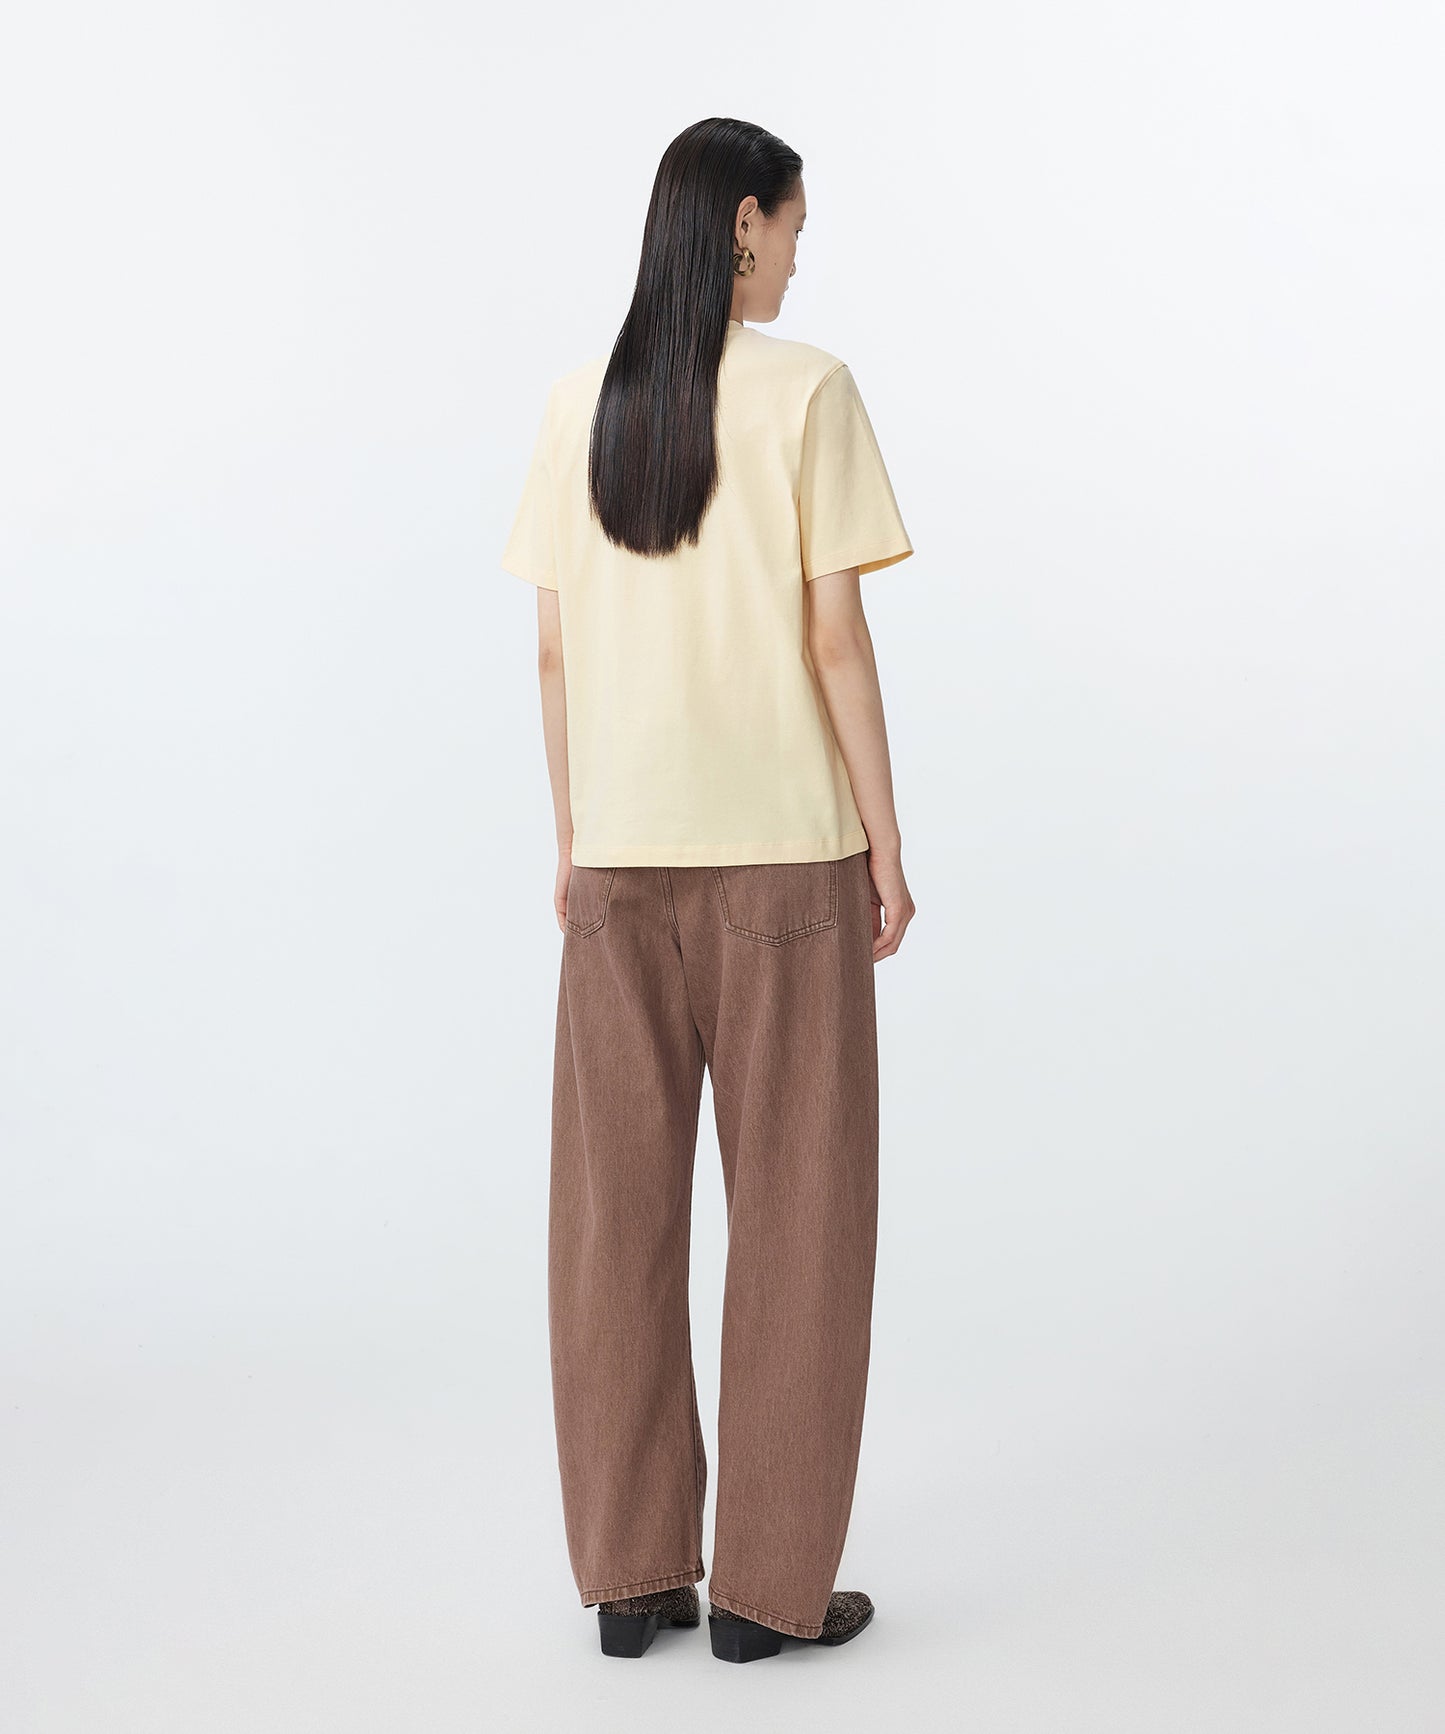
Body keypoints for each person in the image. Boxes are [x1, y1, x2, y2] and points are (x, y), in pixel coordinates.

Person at [500, 116, 916, 1664]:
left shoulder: (579, 404)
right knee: (799, 1220)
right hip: (784, 863)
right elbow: (832, 638)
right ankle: (764, 1592)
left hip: (617, 864)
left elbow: (553, 652)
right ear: (743, 221)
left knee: (610, 1226)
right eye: (796, 226)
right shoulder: (807, 391)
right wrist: (885, 839)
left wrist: (573, 835)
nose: (801, 255)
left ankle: (629, 1579)